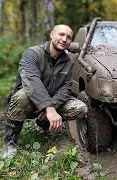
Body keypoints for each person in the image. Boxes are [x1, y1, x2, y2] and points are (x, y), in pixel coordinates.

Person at [1, 25, 88, 159]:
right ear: (52, 35)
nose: (64, 39)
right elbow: (32, 82)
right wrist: (49, 108)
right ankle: (10, 143)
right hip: (28, 103)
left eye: (68, 37)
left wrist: (52, 106)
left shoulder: (68, 61)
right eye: (61, 34)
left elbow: (66, 87)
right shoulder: (32, 54)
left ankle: (45, 124)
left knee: (80, 108)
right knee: (21, 96)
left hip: (50, 103)